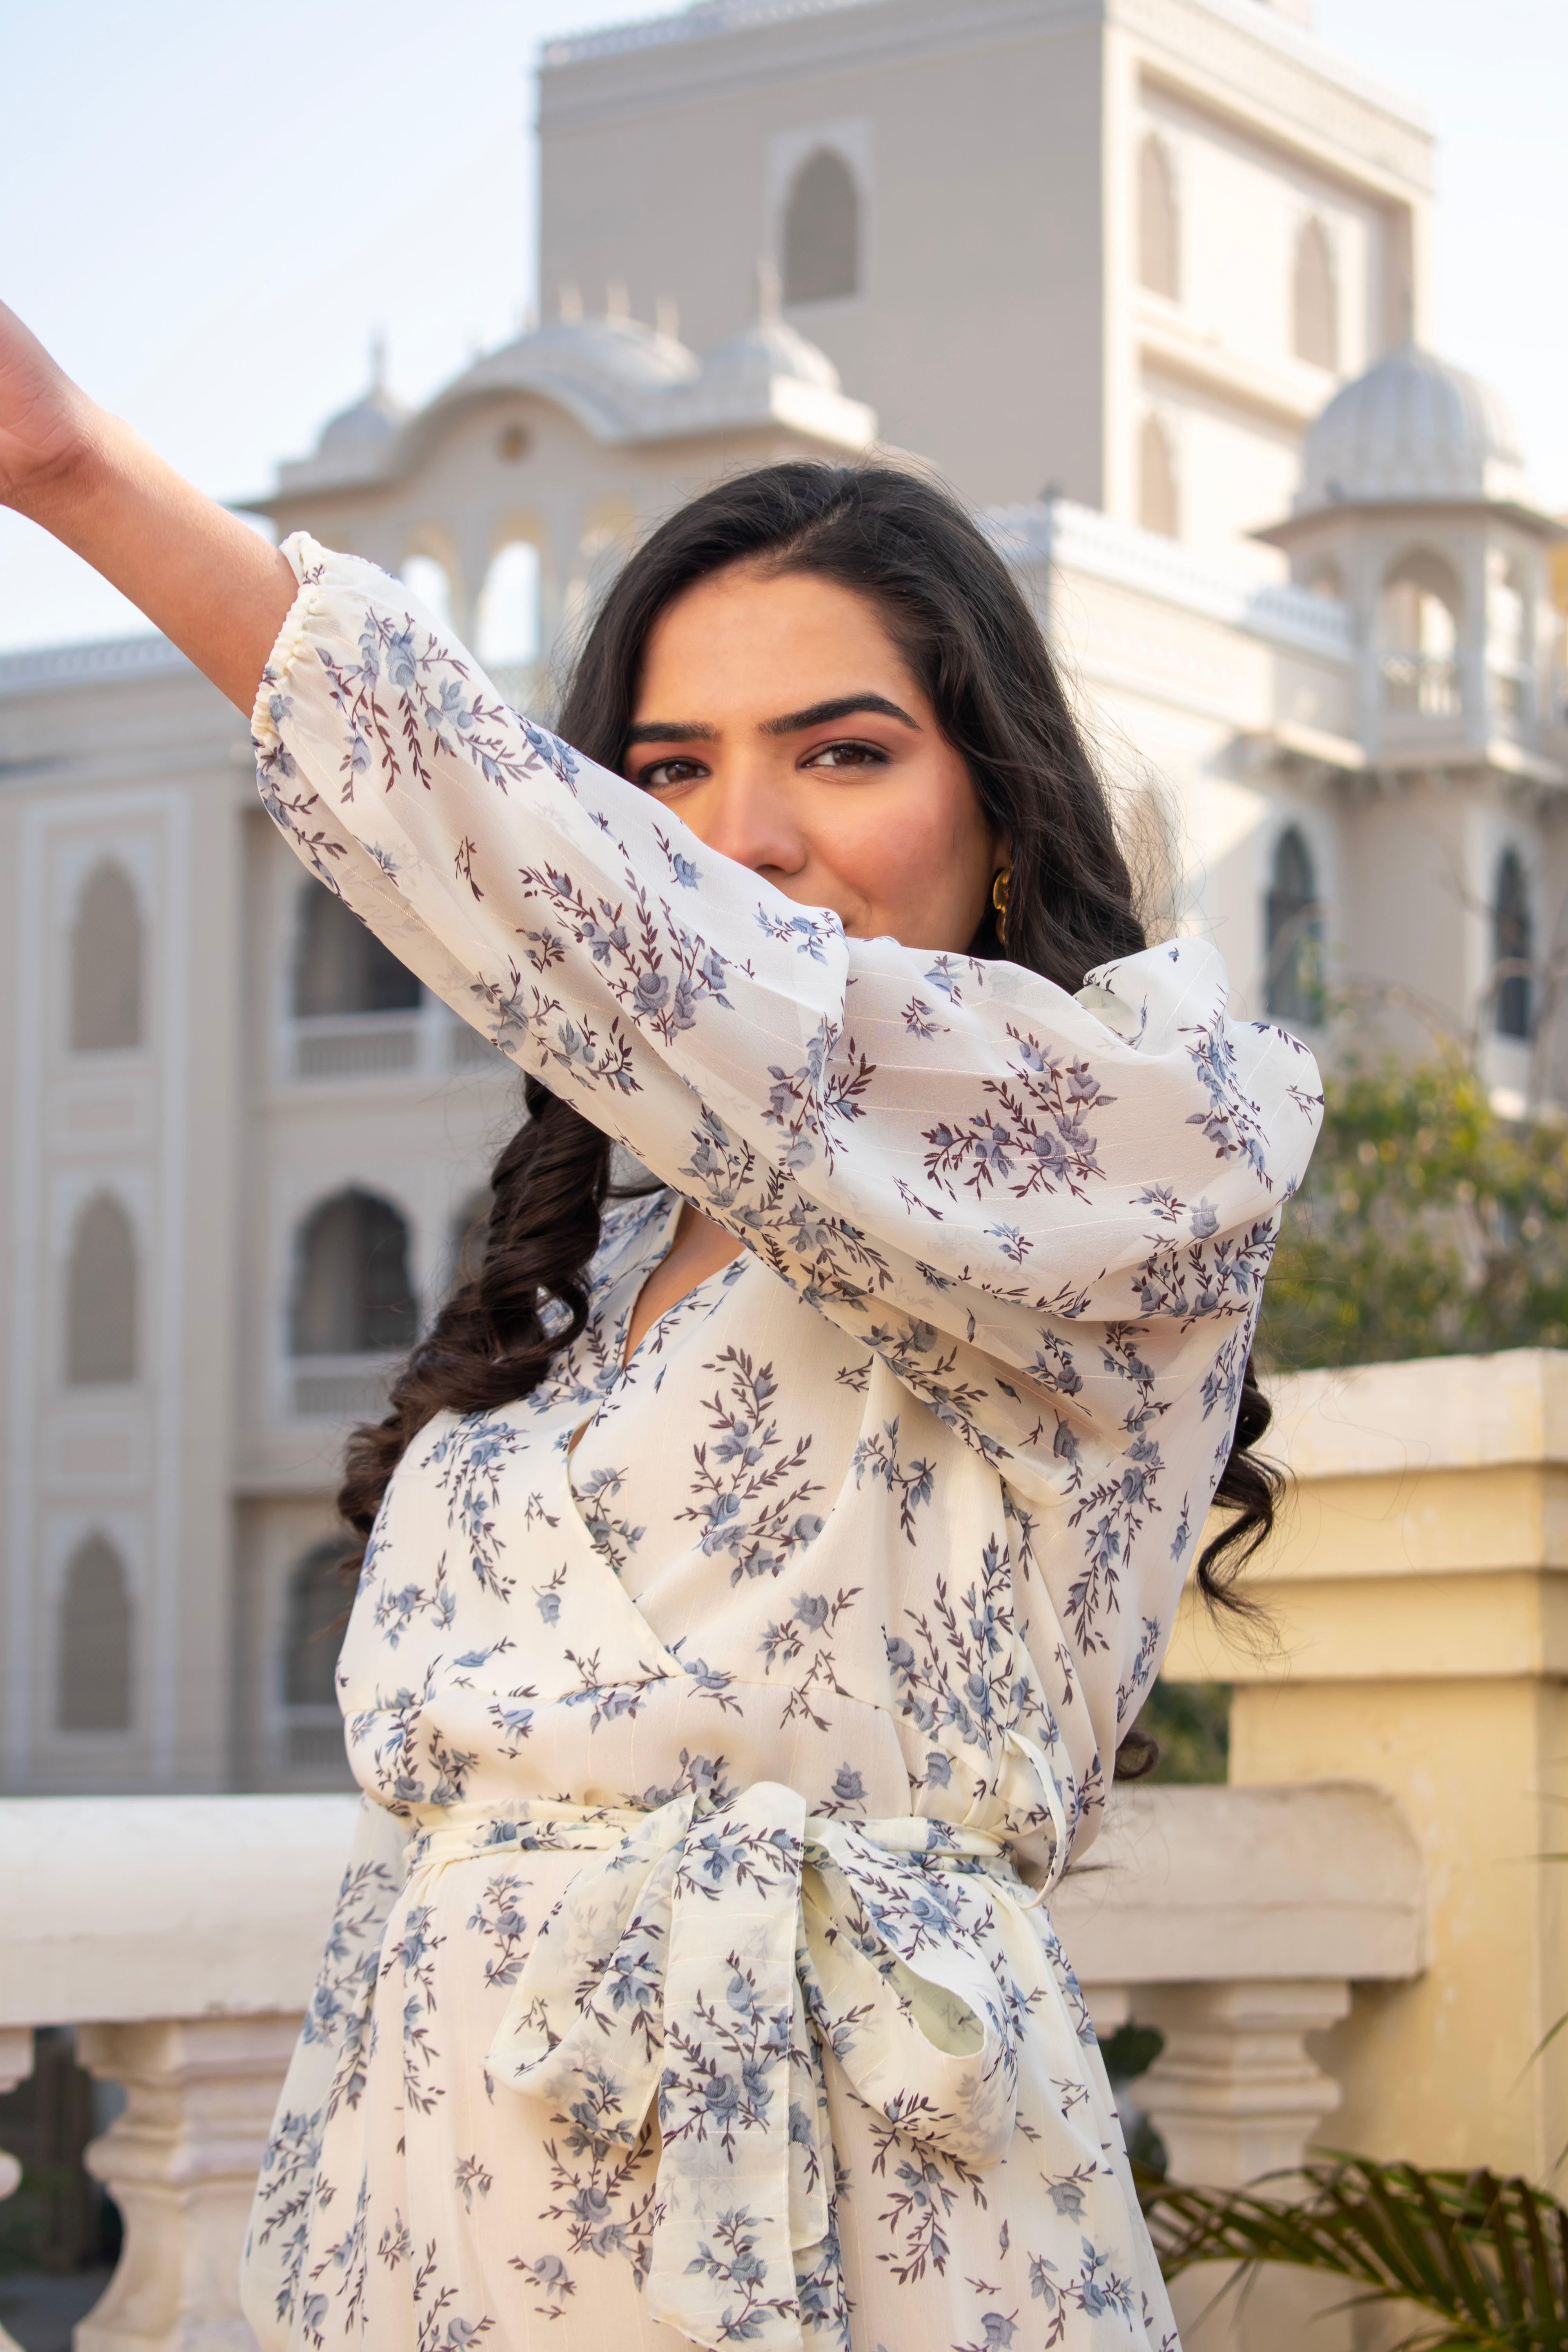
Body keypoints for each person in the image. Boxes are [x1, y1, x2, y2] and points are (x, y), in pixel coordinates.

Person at [0, 300, 1320, 2352]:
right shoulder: (596, 1266)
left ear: (1003, 808)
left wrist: (71, 463)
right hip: (446, 2235)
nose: (748, 841)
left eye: (846, 753)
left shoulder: (1140, 1151)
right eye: (667, 777)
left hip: (865, 2232)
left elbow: (639, 935)